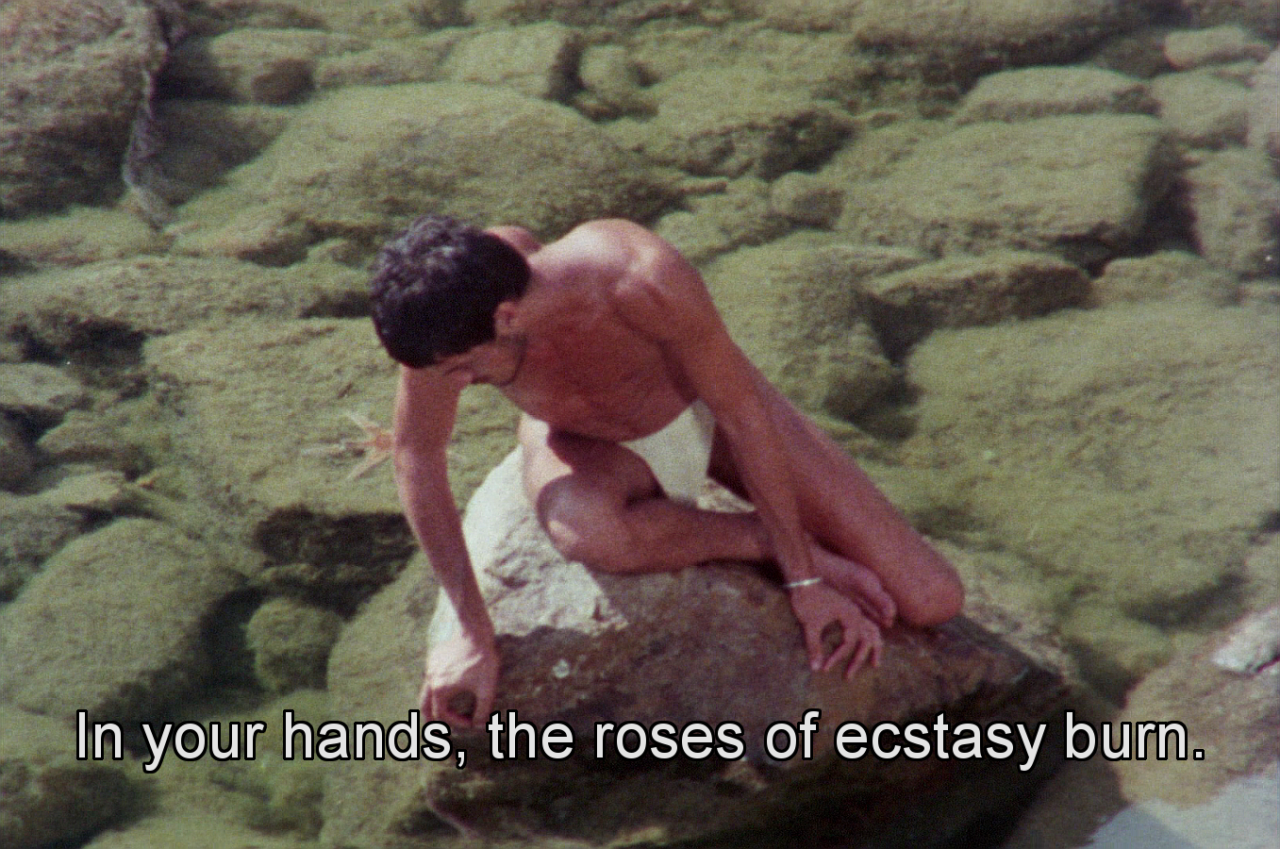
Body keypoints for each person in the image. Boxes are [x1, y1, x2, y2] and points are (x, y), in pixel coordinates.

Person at [369, 215, 963, 728]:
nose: (454, 385)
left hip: (710, 413)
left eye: (465, 369)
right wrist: (472, 631)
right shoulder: (442, 314)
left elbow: (742, 416)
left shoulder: (637, 276)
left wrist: (804, 586)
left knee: (931, 599)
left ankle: (790, 544)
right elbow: (417, 455)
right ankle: (758, 538)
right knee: (586, 529)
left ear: (506, 315)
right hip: (594, 444)